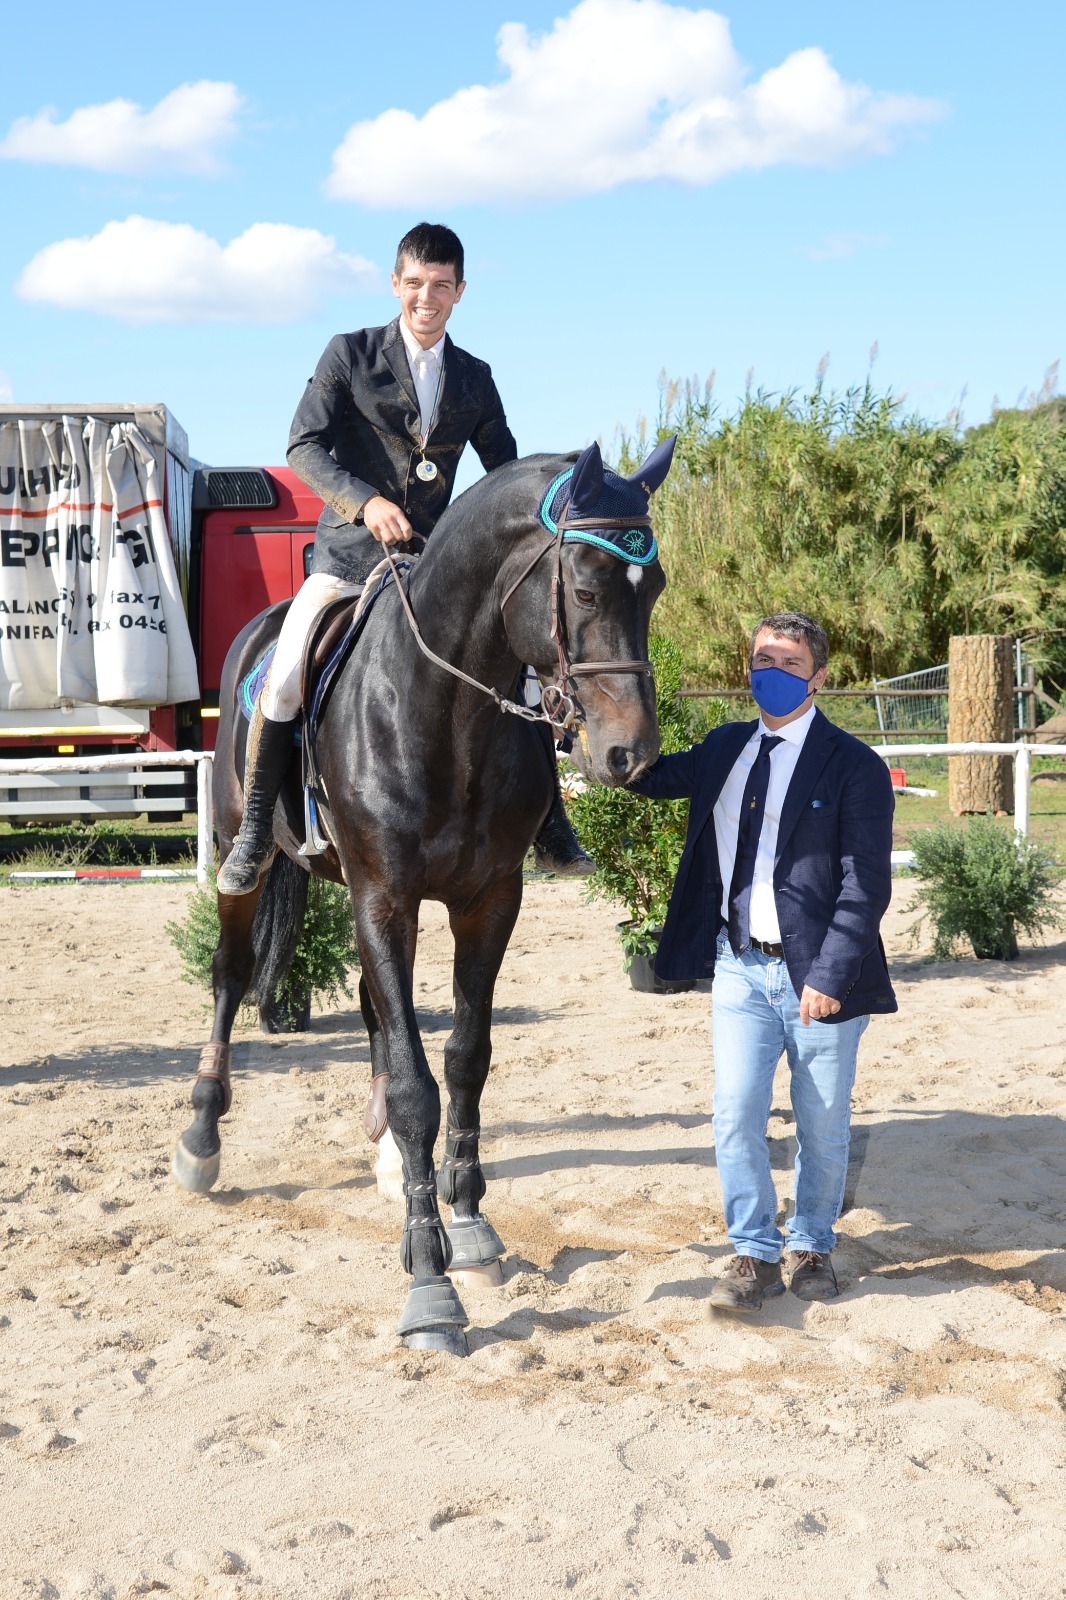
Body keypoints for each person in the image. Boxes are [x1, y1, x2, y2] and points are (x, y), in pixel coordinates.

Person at [218, 220, 591, 895]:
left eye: (442, 285)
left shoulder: (474, 377)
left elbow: (503, 468)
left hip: (433, 568)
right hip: (349, 559)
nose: (428, 296)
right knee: (282, 679)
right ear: (396, 284)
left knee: (523, 673)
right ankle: (251, 836)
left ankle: (554, 823)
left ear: (460, 291)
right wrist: (364, 503)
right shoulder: (350, 354)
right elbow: (304, 445)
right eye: (416, 283)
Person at [629, 611, 896, 1310]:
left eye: (787, 662)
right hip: (740, 969)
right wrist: (576, 733)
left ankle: (811, 1245)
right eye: (760, 660)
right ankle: (753, 1251)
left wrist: (831, 975)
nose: (769, 674)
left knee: (823, 1122)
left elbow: (865, 885)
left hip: (820, 978)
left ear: (819, 676)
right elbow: (648, 777)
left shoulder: (855, 766)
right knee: (735, 1111)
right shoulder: (725, 747)